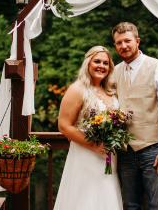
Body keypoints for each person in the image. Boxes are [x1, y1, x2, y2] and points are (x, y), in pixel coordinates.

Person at [112, 22, 158, 210]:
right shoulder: (114, 71)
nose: (123, 46)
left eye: (127, 41)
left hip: (153, 150)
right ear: (115, 46)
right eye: (118, 43)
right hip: (125, 151)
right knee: (130, 205)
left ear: (137, 41)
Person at [55, 46, 122, 210]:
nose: (101, 66)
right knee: (86, 199)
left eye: (106, 63)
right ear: (88, 63)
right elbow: (64, 126)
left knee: (108, 196)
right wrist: (94, 145)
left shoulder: (112, 90)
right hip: (86, 155)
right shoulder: (77, 89)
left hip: (109, 156)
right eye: (97, 61)